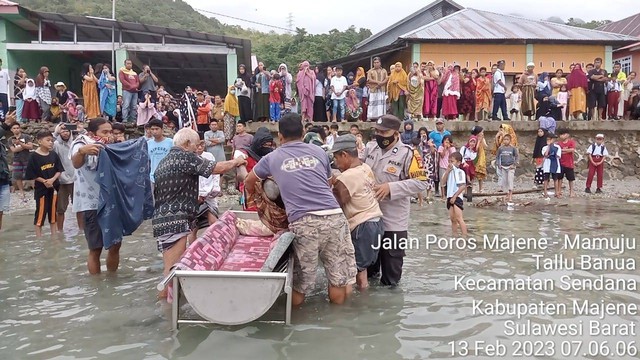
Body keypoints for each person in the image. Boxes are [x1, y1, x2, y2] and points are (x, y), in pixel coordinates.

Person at [243, 113, 356, 305]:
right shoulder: (319, 152)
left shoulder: (272, 158)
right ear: (303, 132)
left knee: (300, 284)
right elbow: (328, 183)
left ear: (280, 136)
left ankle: (294, 327)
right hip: (335, 217)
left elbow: (249, 182)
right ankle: (339, 324)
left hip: (304, 222)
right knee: (338, 279)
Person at [153, 128, 246, 296]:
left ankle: (169, 307)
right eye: (196, 145)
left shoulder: (165, 160)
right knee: (171, 272)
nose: (198, 148)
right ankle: (166, 313)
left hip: (163, 218)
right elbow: (216, 168)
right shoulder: (184, 156)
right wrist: (236, 161)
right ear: (187, 143)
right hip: (176, 220)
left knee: (171, 268)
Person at [364, 115, 428, 286]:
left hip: (393, 222)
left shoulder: (409, 154)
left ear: (396, 133)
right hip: (370, 220)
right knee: (368, 273)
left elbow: (422, 182)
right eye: (377, 131)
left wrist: (391, 188)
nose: (379, 135)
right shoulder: (370, 150)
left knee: (391, 279)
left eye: (384, 132)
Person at [329, 135, 383, 290]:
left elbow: (336, 204)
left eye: (336, 158)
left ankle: (355, 307)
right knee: (363, 270)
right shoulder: (365, 167)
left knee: (354, 273)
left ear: (344, 155)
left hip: (361, 226)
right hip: (376, 222)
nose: (336, 163)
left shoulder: (346, 177)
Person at [25, 130, 64, 237]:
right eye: (48, 140)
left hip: (54, 188)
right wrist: (44, 181)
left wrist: (52, 180)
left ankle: (54, 237)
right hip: (41, 189)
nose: (51, 142)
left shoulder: (53, 154)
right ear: (40, 141)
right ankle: (39, 238)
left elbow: (59, 170)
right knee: (40, 213)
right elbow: (31, 174)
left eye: (51, 140)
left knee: (53, 213)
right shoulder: (34, 156)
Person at [53, 123, 82, 231]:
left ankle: (81, 230)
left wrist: (81, 130)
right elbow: (50, 148)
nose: (65, 133)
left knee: (79, 207)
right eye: (62, 131)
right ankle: (59, 231)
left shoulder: (75, 143)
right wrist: (55, 132)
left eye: (67, 131)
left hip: (76, 179)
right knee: (60, 209)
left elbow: (87, 139)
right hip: (62, 180)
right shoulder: (56, 144)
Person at [441, 152, 467, 236]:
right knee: (453, 219)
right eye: (449, 161)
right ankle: (454, 236)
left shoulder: (460, 172)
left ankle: (464, 236)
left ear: (458, 163)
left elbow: (462, 186)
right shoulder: (448, 171)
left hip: (457, 196)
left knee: (459, 218)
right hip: (449, 196)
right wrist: (447, 171)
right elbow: (442, 183)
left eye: (452, 161)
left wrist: (455, 196)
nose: (450, 163)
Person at [196, 141, 221, 225]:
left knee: (213, 221)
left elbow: (216, 173)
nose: (200, 147)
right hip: (197, 195)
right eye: (197, 145)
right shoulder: (190, 158)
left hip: (210, 193)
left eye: (202, 145)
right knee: (194, 226)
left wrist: (216, 187)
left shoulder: (209, 156)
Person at [0, 112, 17, 230]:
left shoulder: (1, 144)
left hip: (3, 180)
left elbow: (5, 163)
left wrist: (10, 181)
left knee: (1, 211)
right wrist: (6, 124)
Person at [8, 122, 33, 200]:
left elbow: (31, 147)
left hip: (27, 158)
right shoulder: (10, 139)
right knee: (18, 176)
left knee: (32, 175)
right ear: (11, 130)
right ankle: (21, 192)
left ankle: (35, 189)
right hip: (17, 159)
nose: (16, 130)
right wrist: (25, 146)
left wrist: (20, 144)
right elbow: (14, 150)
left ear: (20, 128)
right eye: (14, 128)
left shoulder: (26, 136)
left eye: (17, 128)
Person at [146, 119, 173, 189]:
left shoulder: (170, 142)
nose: (154, 131)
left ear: (162, 129)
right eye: (152, 129)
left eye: (157, 129)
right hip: (153, 177)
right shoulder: (148, 144)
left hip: (168, 177)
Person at [495, 134, 519, 202]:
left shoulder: (513, 148)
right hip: (503, 166)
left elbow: (517, 157)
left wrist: (514, 164)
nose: (506, 141)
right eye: (504, 139)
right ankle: (506, 194)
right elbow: (497, 157)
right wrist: (498, 164)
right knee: (504, 181)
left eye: (507, 139)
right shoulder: (501, 148)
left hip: (511, 167)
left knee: (510, 180)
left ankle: (510, 196)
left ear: (510, 140)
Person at [541, 133, 561, 199]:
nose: (548, 141)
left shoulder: (557, 147)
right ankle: (545, 192)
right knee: (546, 178)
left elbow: (558, 156)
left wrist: (553, 153)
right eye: (547, 139)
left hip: (554, 164)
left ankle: (556, 192)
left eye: (549, 139)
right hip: (547, 164)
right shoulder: (544, 147)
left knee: (555, 179)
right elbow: (545, 155)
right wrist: (549, 147)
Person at [557, 130, 576, 198]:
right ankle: (559, 191)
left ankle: (571, 191)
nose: (561, 136)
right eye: (560, 134)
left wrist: (562, 150)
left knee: (570, 179)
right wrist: (567, 150)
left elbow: (572, 149)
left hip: (569, 163)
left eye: (563, 134)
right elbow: (558, 151)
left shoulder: (571, 142)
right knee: (560, 178)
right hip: (561, 163)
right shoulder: (559, 143)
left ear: (567, 135)